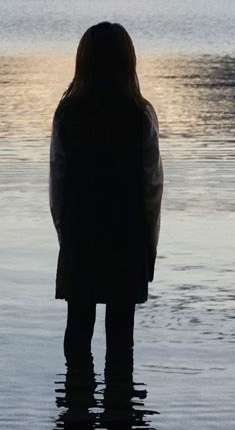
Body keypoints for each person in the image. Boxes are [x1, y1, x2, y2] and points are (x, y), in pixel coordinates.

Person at [50, 22, 164, 379]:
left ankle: (76, 420)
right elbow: (152, 187)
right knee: (120, 341)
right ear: (128, 62)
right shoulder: (139, 114)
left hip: (80, 235)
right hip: (126, 238)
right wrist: (149, 248)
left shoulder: (68, 114)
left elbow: (59, 184)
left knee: (78, 332)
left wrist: (65, 238)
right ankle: (121, 423)